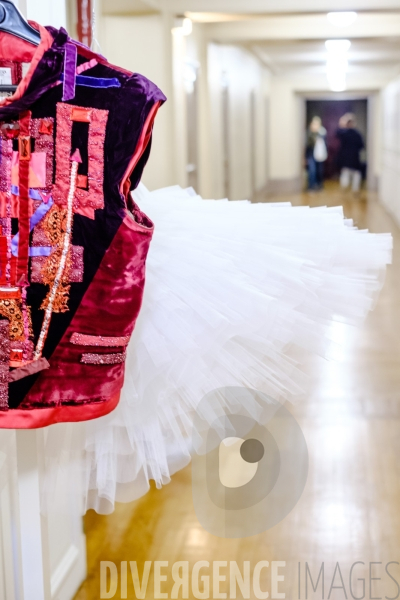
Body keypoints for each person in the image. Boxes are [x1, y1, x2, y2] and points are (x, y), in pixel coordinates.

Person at [336, 113, 364, 193]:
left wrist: (341, 123)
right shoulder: (357, 134)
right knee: (353, 174)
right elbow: (361, 146)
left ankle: (347, 188)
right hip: (354, 158)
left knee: (347, 173)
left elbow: (337, 132)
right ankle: (354, 189)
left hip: (347, 158)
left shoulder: (344, 133)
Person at [305, 116, 328, 191]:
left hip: (320, 155)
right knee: (312, 170)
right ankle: (311, 186)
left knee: (319, 170)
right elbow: (307, 144)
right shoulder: (309, 133)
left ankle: (319, 185)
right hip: (311, 154)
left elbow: (325, 144)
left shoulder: (322, 132)